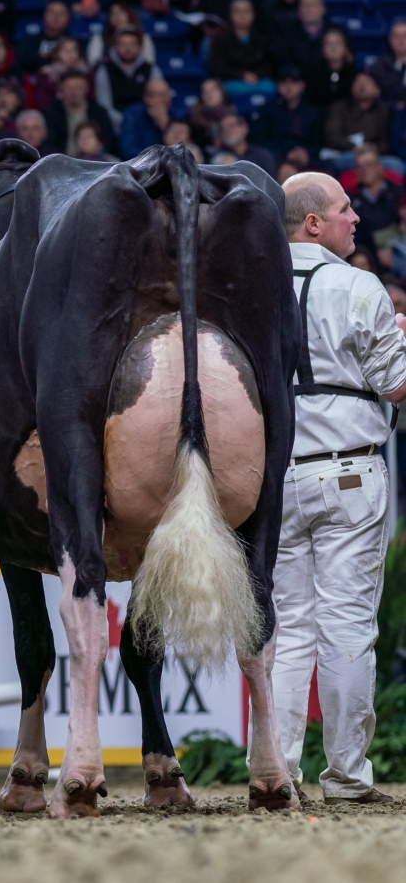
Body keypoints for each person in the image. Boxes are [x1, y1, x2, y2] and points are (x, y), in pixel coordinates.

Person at [273, 171, 406, 804]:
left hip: (276, 476)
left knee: (289, 630)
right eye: (345, 208)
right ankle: (347, 776)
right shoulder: (358, 285)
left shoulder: (252, 285)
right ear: (313, 223)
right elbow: (396, 385)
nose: (356, 218)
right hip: (349, 470)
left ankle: (276, 773)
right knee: (347, 625)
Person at [93, 25, 161, 129]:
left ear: (140, 46)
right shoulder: (104, 70)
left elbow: (158, 100)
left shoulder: (151, 69)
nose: (128, 48)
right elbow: (104, 106)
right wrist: (126, 122)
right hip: (114, 124)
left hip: (146, 123)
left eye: (132, 44)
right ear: (115, 46)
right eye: (123, 44)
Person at [208, 0, 277, 98]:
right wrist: (241, 75)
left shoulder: (262, 39)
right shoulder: (220, 40)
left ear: (253, 15)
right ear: (230, 14)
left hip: (258, 81)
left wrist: (256, 75)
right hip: (232, 81)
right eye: (238, 11)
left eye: (246, 11)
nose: (242, 15)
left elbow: (268, 65)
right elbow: (218, 67)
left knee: (270, 86)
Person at [324, 71, 391, 169]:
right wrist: (354, 147)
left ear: (377, 89)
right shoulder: (339, 108)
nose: (361, 86)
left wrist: (373, 148)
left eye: (367, 82)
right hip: (345, 153)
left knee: (395, 164)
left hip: (374, 155)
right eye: (358, 82)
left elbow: (386, 143)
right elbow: (332, 137)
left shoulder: (383, 112)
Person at [349, 144, 404, 248]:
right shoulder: (350, 198)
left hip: (398, 246)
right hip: (366, 249)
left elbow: (402, 226)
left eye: (368, 164)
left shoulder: (398, 192)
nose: (364, 169)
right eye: (359, 166)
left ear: (379, 166)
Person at [208, 111, 278, 177]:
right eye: (222, 128)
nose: (227, 130)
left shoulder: (262, 156)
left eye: (231, 126)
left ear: (244, 128)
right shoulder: (216, 159)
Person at [119, 76, 176, 156]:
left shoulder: (175, 114)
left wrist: (165, 124)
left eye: (167, 94)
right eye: (160, 95)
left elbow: (180, 149)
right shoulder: (133, 114)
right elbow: (128, 150)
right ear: (147, 98)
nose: (165, 99)